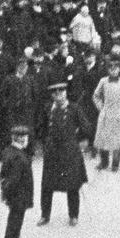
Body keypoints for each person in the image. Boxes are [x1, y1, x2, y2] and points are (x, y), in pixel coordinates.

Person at [38, 82, 88, 226]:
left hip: (70, 151)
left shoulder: (74, 108)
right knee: (47, 185)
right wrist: (45, 142)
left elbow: (86, 126)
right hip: (52, 151)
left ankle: (73, 215)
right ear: (52, 95)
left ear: (66, 93)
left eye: (61, 91)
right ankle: (45, 216)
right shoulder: (48, 109)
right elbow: (40, 127)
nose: (58, 94)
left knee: (72, 184)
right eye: (55, 92)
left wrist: (78, 140)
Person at [91, 56, 120, 172]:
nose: (113, 71)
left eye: (116, 68)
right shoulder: (103, 81)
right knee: (103, 138)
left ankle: (115, 163)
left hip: (118, 114)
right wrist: (101, 108)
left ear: (119, 69)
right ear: (107, 70)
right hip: (106, 113)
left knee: (117, 140)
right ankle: (104, 162)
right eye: (111, 68)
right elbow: (96, 96)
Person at [0, 125, 34, 238]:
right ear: (20, 139)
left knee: (16, 221)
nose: (27, 140)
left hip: (15, 195)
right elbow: (14, 179)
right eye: (25, 138)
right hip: (19, 195)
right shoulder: (18, 157)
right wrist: (11, 194)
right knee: (14, 223)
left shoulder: (10, 151)